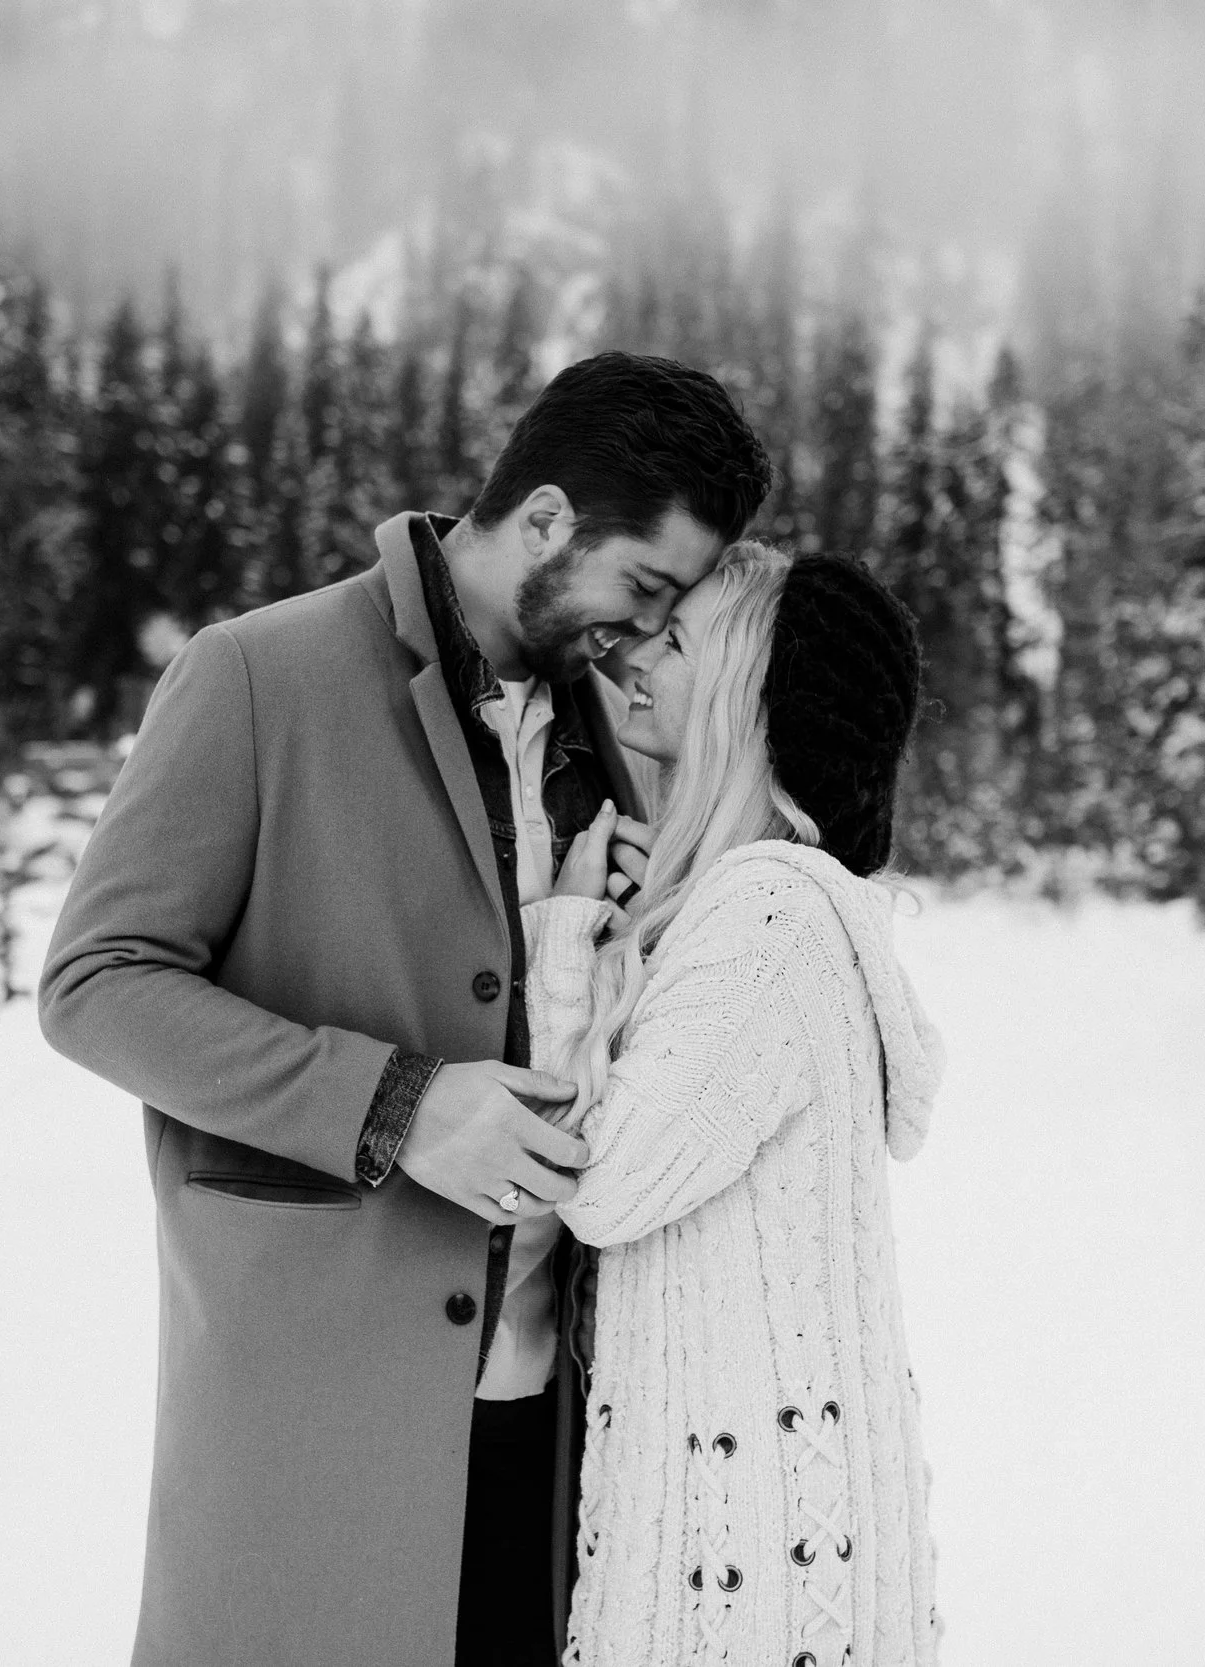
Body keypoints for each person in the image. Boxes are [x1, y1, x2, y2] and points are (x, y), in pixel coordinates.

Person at [36, 350, 773, 1667]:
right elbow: (98, 985)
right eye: (641, 585)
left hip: (563, 1434)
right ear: (547, 520)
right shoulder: (258, 676)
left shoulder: (621, 727)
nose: (643, 632)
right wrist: (400, 1102)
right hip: (320, 1417)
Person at [521, 542, 943, 1666]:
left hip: (749, 1554)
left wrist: (564, 940)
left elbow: (604, 1183)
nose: (632, 655)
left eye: (678, 639)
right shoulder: (758, 906)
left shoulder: (765, 920)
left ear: (751, 692)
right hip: (765, 1524)